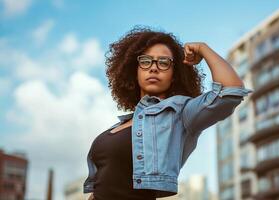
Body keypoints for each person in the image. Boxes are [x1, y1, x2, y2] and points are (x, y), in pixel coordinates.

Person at [83, 26, 253, 200]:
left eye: (164, 63)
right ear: (135, 71)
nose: (154, 68)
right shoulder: (122, 124)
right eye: (145, 61)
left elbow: (230, 92)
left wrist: (203, 48)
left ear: (174, 75)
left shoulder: (180, 112)